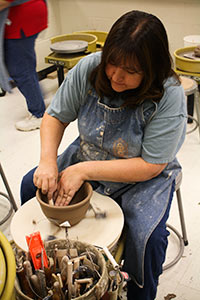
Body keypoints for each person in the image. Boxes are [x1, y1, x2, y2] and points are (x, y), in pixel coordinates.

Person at [20, 10, 187, 300]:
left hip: (142, 174)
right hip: (89, 152)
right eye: (112, 62)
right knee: (30, 186)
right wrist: (48, 160)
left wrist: (82, 171)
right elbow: (55, 116)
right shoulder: (90, 68)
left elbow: (150, 165)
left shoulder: (169, 94)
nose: (116, 76)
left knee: (145, 237)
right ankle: (49, 273)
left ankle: (140, 293)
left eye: (132, 71)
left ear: (152, 69)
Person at [0, 0, 48, 131]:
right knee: (26, 65)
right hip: (30, 12)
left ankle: (38, 114)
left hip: (20, 19)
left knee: (20, 70)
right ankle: (39, 99)